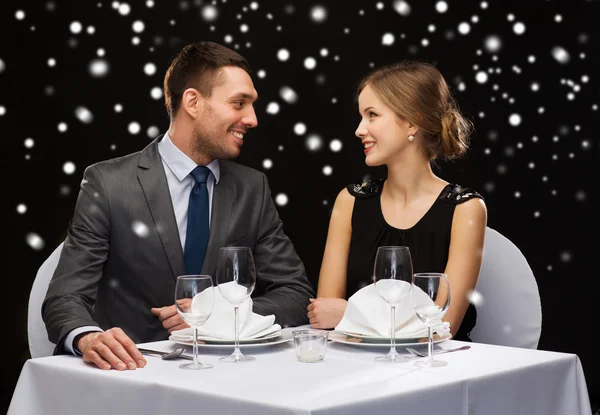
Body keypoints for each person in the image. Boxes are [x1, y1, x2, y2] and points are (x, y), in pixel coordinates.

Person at [42, 41, 315, 370]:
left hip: (230, 375)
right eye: (239, 103)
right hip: (130, 374)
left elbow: (295, 292)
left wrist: (226, 317)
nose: (253, 119)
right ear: (193, 102)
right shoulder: (108, 183)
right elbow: (64, 295)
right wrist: (87, 337)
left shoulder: (251, 187)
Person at [307, 61, 487, 341]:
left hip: (439, 372)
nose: (359, 129)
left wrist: (350, 313)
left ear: (412, 121)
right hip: (358, 365)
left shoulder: (466, 209)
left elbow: (440, 328)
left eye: (372, 115)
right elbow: (324, 314)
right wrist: (350, 315)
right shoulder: (350, 201)